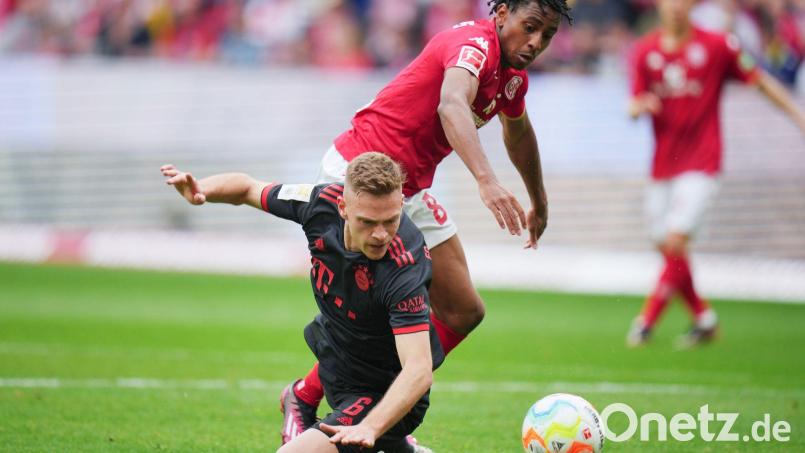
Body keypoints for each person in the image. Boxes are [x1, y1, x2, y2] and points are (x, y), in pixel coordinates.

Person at [281, 0, 573, 442]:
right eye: (529, 27)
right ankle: (319, 400)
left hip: (407, 189)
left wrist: (540, 199)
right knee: (379, 320)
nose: (535, 43)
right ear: (501, 14)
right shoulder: (473, 45)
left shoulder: (511, 79)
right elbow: (451, 103)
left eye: (546, 35)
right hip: (361, 178)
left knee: (463, 309)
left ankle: (366, 405)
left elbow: (518, 132)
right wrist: (486, 180)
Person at [160, 152, 442, 453]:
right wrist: (201, 189)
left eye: (390, 220)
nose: (381, 234)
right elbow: (247, 188)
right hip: (338, 364)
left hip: (382, 390)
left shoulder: (404, 267)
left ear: (401, 204)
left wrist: (370, 427)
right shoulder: (318, 204)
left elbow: (418, 369)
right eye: (368, 222)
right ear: (343, 207)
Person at [626, 0, 805, 348]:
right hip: (663, 164)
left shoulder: (718, 45)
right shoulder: (644, 50)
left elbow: (760, 81)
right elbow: (633, 101)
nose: (676, 7)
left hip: (702, 162)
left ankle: (645, 322)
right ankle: (704, 318)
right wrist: (638, 107)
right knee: (666, 245)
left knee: (676, 241)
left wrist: (798, 116)